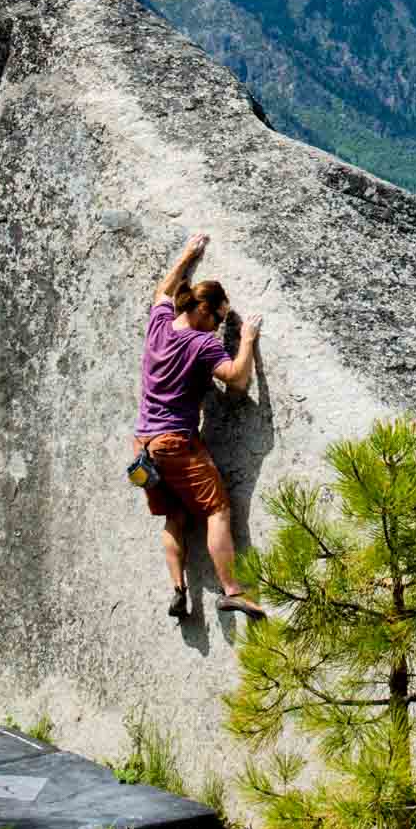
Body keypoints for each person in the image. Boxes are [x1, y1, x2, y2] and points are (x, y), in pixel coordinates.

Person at [134, 232, 265, 620]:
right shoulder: (203, 344)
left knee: (175, 515)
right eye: (220, 318)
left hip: (144, 445)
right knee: (217, 509)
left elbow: (164, 288)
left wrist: (189, 254)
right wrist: (246, 340)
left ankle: (178, 589)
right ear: (206, 312)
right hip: (176, 443)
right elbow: (237, 380)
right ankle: (231, 591)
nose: (219, 326)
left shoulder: (160, 324)